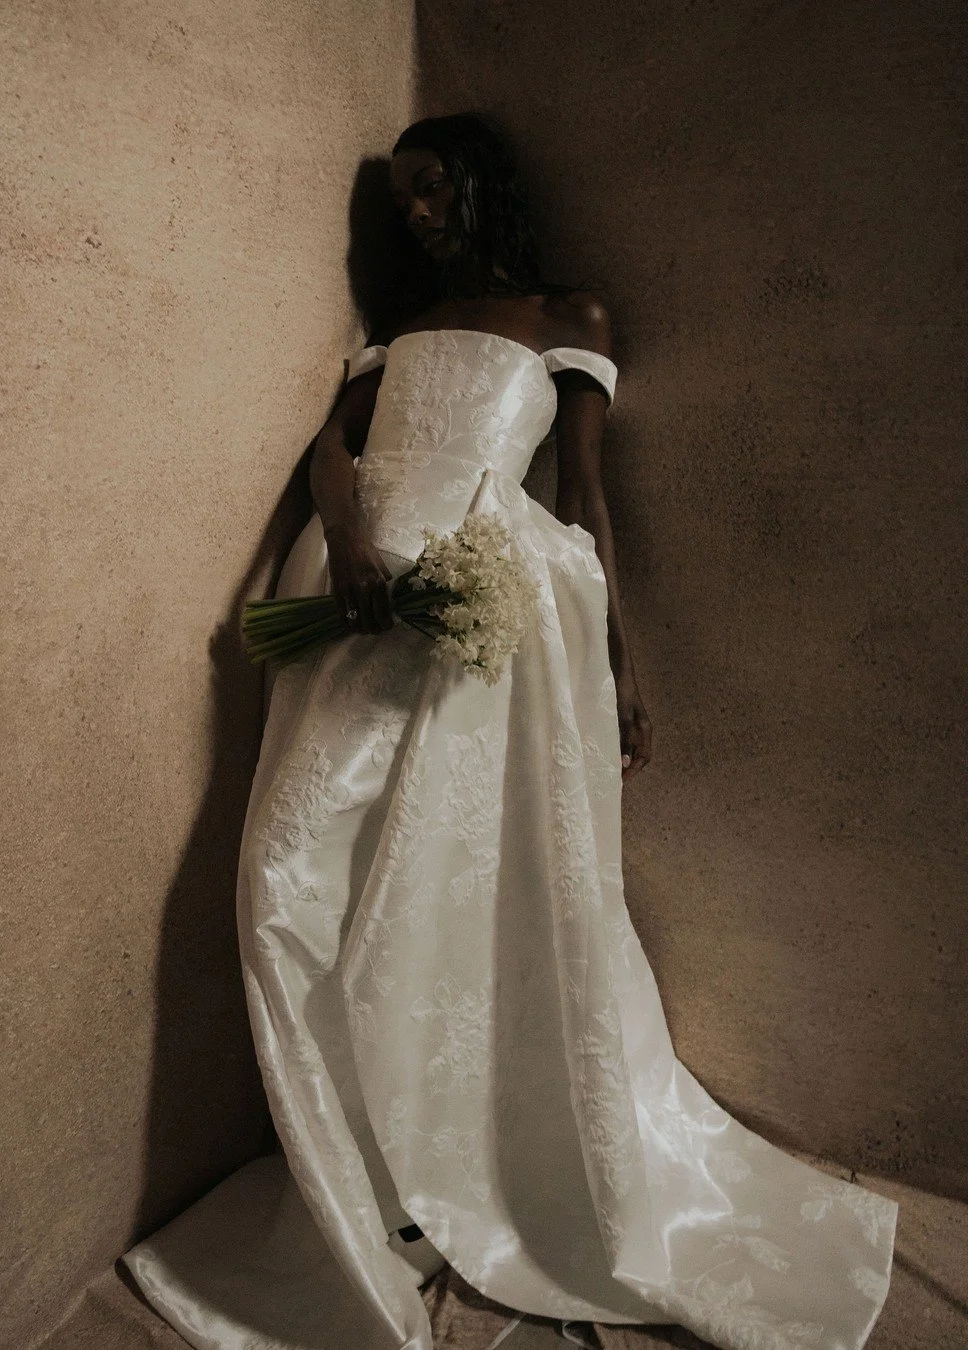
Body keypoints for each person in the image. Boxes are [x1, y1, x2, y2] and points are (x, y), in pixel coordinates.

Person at [123, 113, 897, 1350]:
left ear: (481, 185)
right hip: (348, 594)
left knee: (442, 885)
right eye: (403, 204)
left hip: (486, 604)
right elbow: (331, 454)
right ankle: (349, 1176)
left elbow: (581, 497)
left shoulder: (570, 318)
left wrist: (621, 664)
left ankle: (441, 1162)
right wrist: (358, 540)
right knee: (283, 869)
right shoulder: (395, 335)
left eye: (433, 192)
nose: (419, 218)